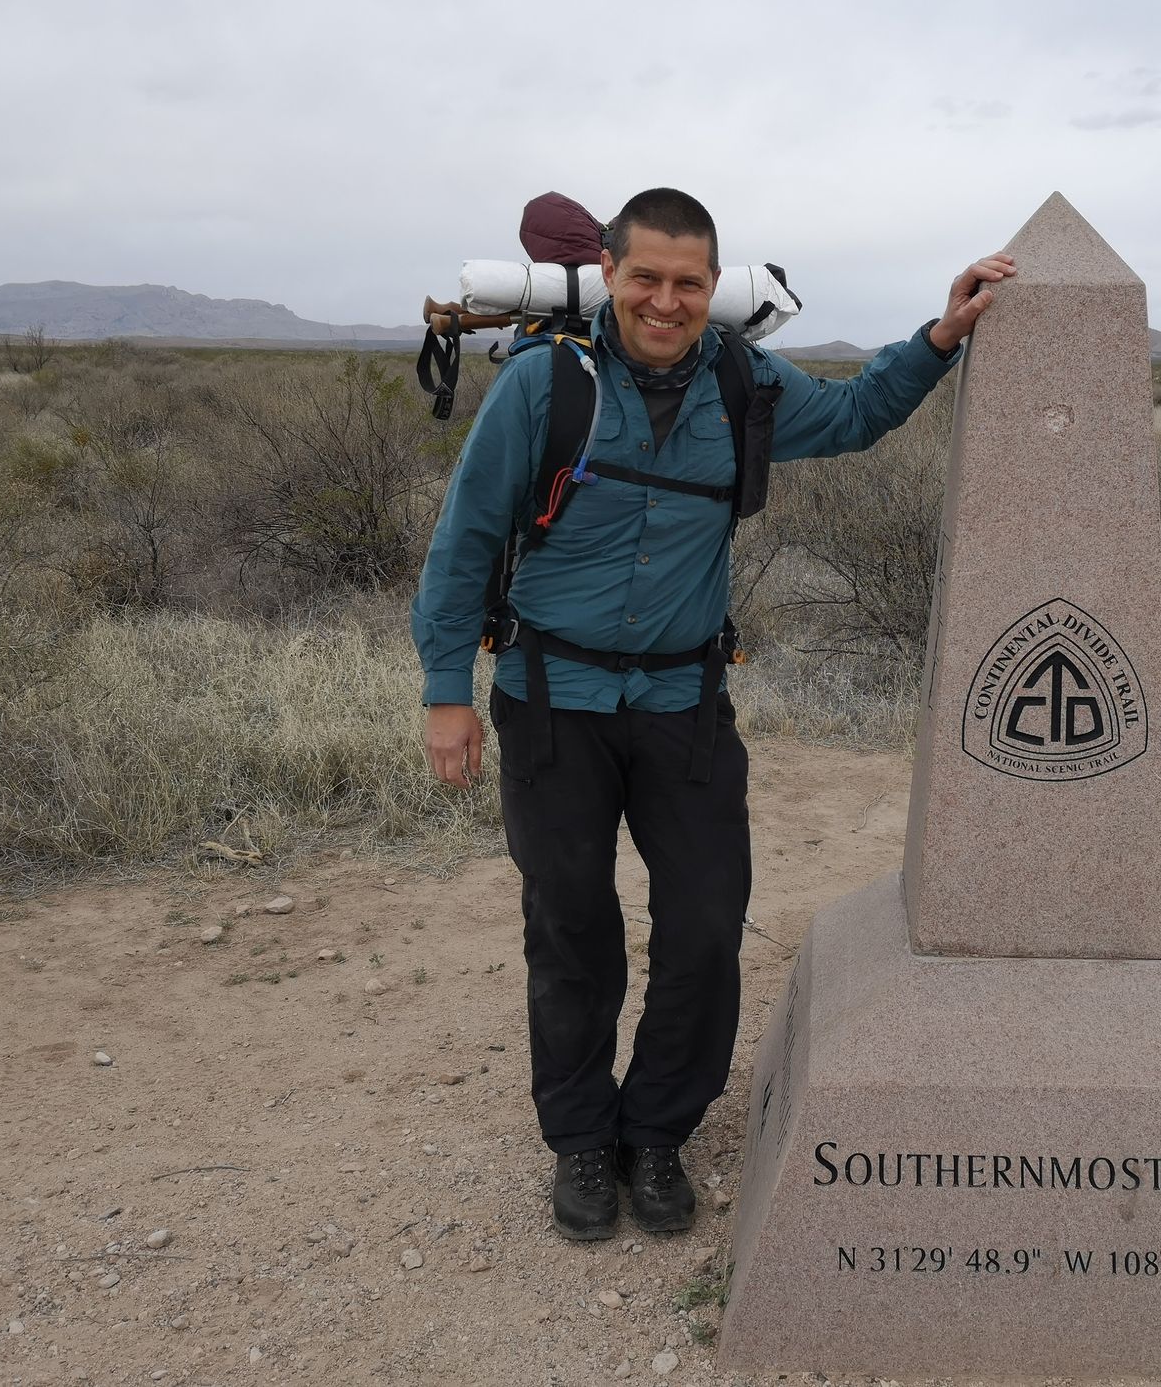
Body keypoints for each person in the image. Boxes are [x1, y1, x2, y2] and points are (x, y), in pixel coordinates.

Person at [411, 187, 1014, 1240]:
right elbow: (464, 541)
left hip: (683, 705)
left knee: (701, 925)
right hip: (551, 703)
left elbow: (856, 415)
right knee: (571, 927)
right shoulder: (544, 387)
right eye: (645, 277)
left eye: (687, 283)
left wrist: (940, 335)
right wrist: (444, 693)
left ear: (711, 287)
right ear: (609, 273)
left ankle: (657, 1135)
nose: (665, 301)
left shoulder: (745, 382)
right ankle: (581, 1141)